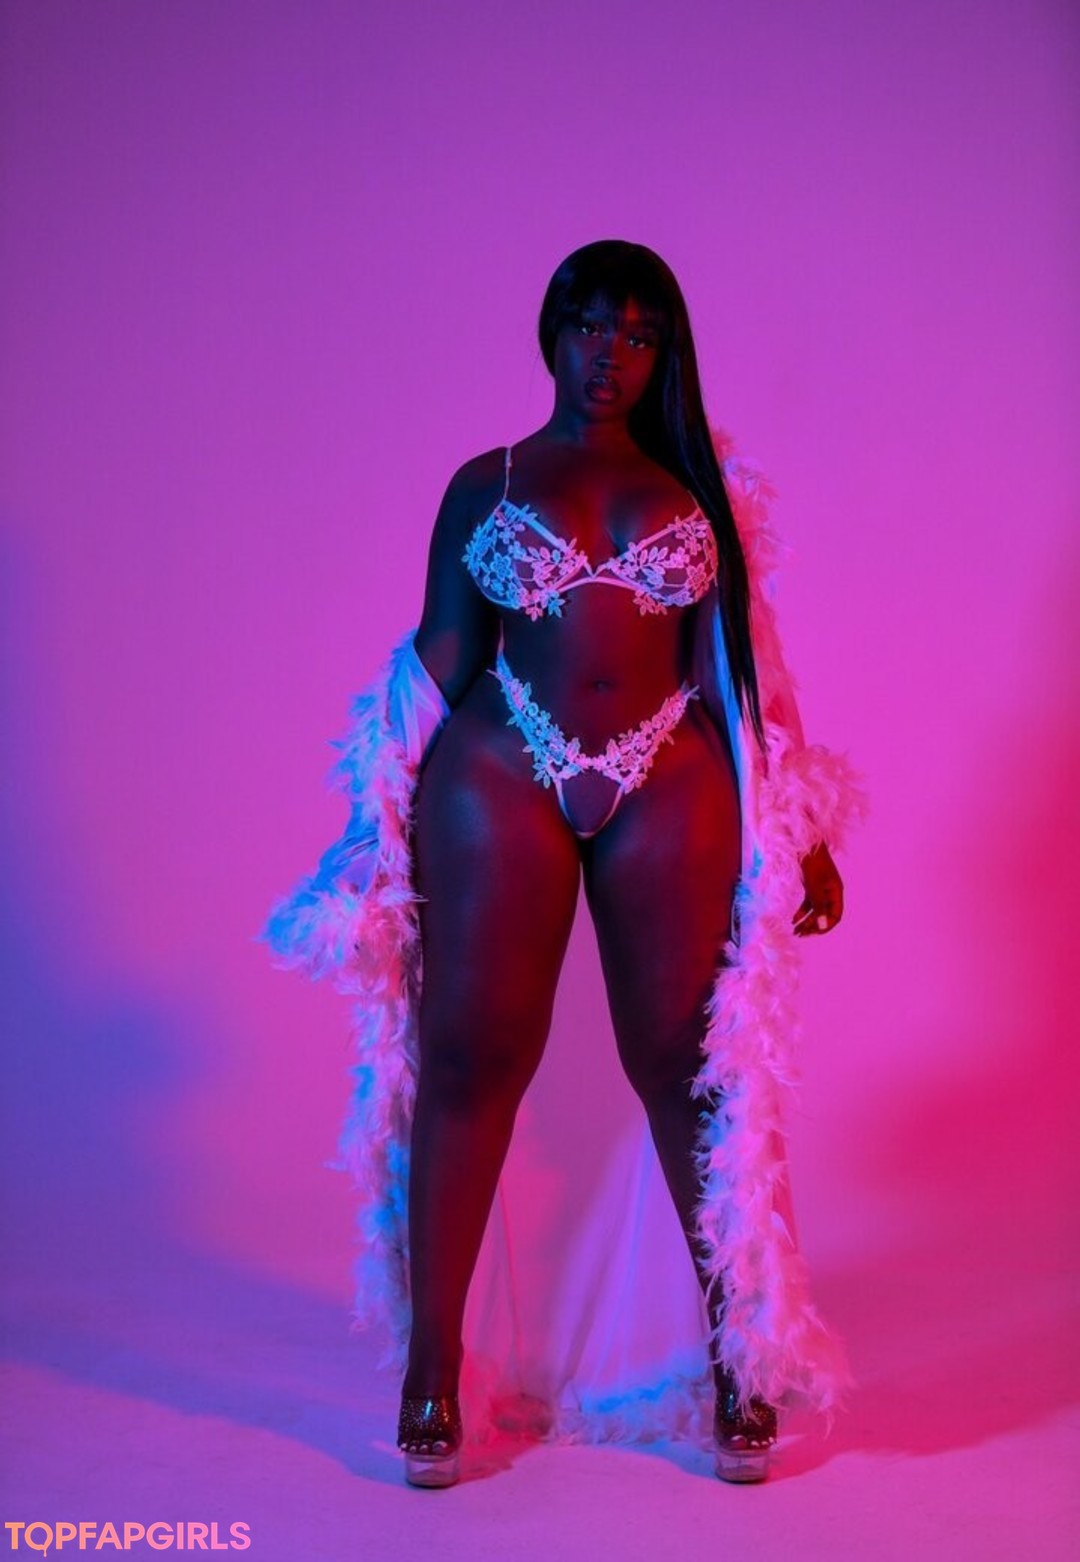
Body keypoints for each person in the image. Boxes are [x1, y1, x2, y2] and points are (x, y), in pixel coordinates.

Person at [262, 239, 865, 1487]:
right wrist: (367, 821)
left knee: (689, 1065)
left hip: (667, 769)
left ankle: (739, 1356)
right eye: (594, 325)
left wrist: (800, 824)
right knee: (472, 1054)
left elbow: (747, 669)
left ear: (663, 353)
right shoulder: (485, 483)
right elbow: (442, 649)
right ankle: (432, 1369)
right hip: (504, 763)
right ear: (554, 331)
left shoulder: (701, 493)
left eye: (640, 335)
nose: (613, 355)